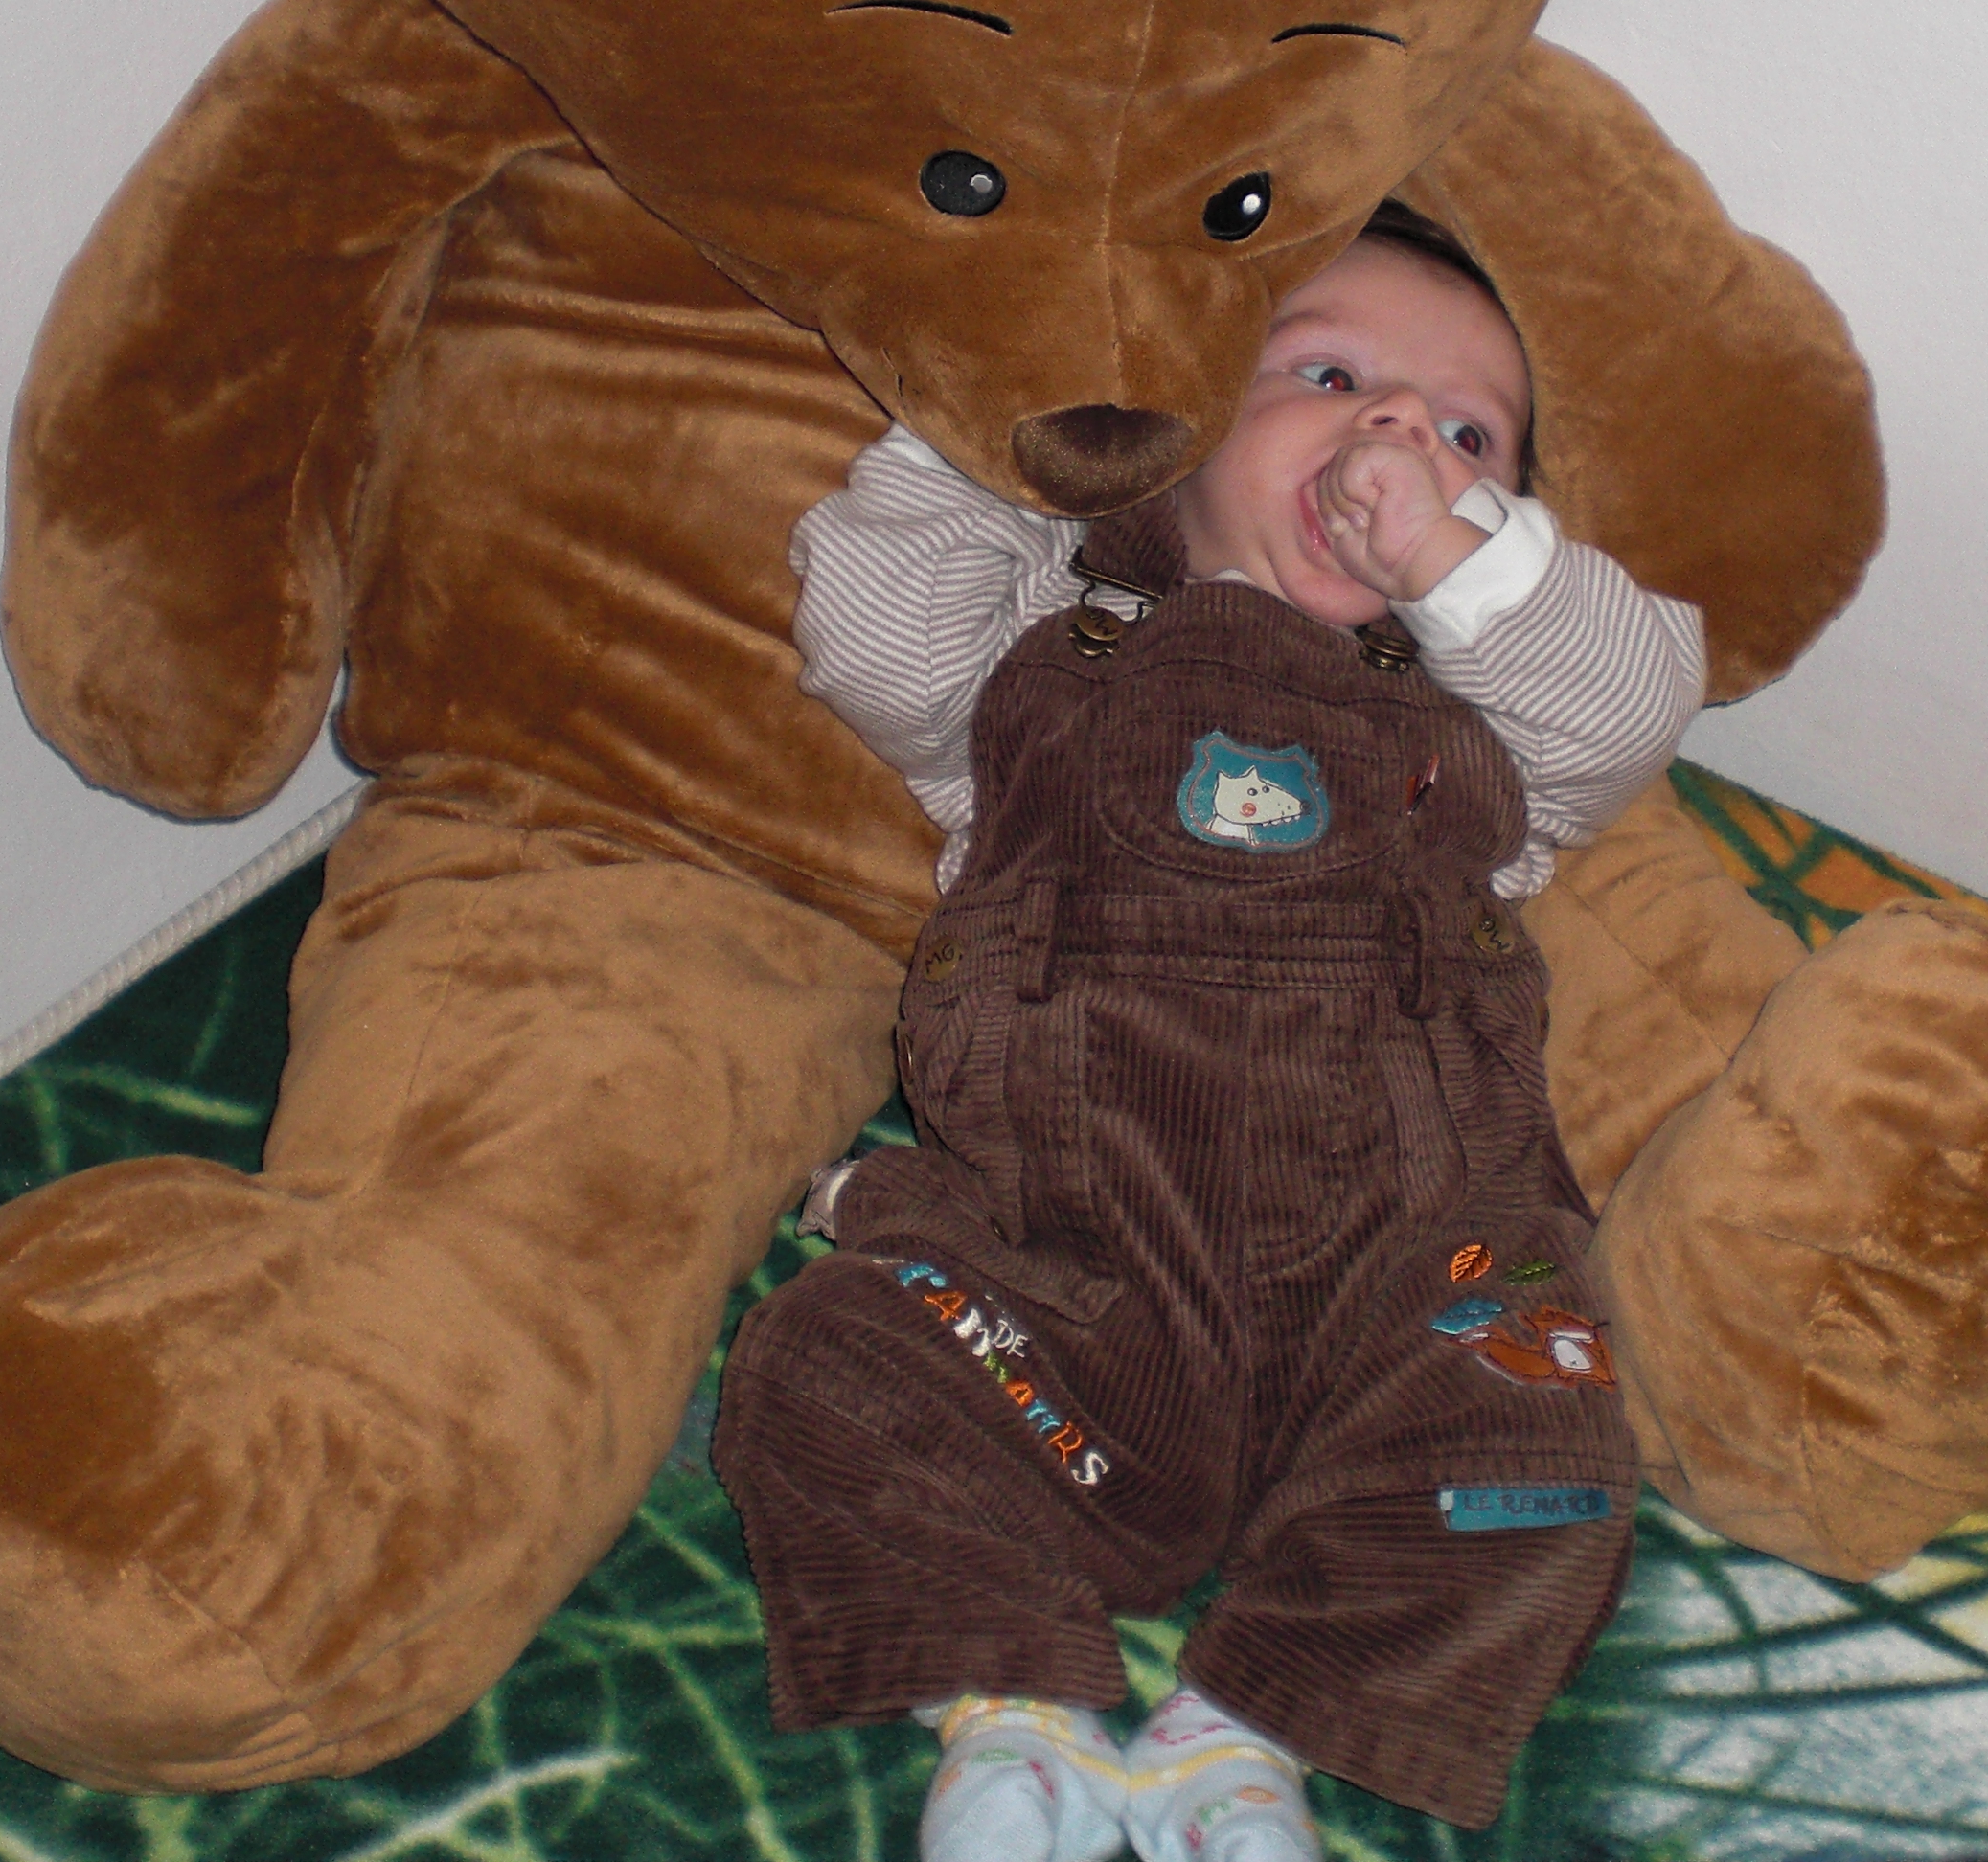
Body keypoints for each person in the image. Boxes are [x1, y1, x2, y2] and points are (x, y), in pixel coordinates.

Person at [710, 204, 1706, 1860]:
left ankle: (1239, 1746)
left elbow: (1631, 702)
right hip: (1062, 1293)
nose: (1402, 432)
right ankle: (1009, 1718)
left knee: (1546, 1442)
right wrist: (1027, 428)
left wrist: (1464, 568)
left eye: (1472, 437)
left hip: (1415, 1289)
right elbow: (872, 638)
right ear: (1181, 421)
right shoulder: (1051, 631)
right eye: (1328, 376)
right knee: (829, 1363)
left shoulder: (1488, 721)